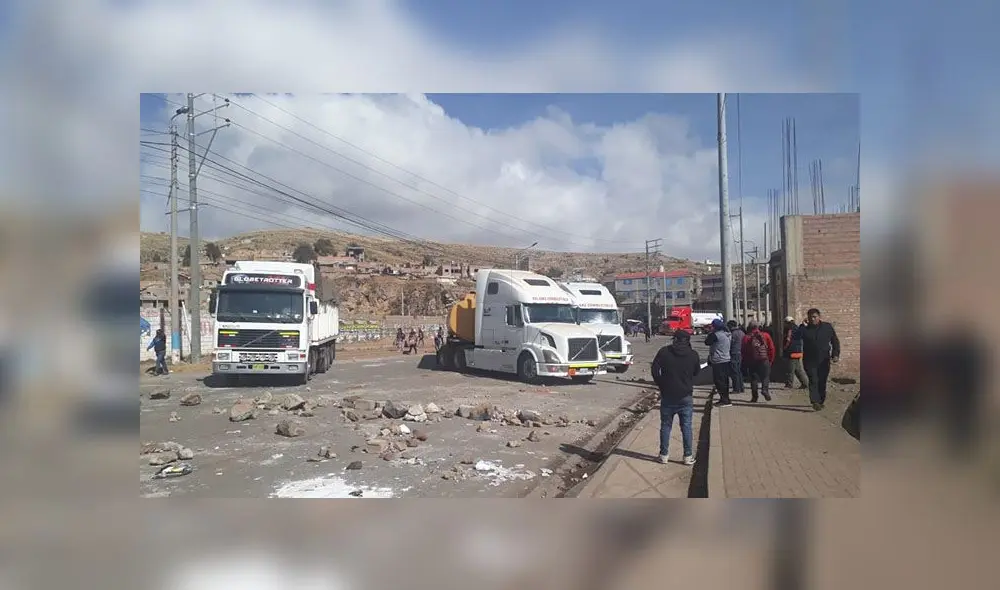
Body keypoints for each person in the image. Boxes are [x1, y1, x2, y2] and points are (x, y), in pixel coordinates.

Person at [650, 329, 701, 466]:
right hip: (686, 396)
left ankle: (664, 455)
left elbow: (654, 369)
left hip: (668, 395)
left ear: (675, 340)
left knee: (666, 426)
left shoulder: (664, 352)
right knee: (686, 426)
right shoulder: (693, 354)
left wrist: (661, 384)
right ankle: (688, 456)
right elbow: (697, 372)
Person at [800, 308, 841, 411]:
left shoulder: (827, 327)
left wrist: (835, 354)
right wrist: (802, 326)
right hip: (809, 360)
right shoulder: (805, 329)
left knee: (822, 381)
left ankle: (821, 401)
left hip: (824, 360)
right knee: (813, 380)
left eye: (814, 317)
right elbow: (795, 336)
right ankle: (815, 401)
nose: (812, 319)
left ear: (819, 317)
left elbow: (835, 341)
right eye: (810, 317)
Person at [742, 320, 775, 402]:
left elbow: (743, 351)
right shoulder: (766, 335)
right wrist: (770, 360)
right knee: (766, 376)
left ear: (749, 327)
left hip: (752, 360)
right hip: (764, 359)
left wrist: (745, 361)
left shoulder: (746, 337)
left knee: (753, 379)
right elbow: (771, 348)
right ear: (758, 327)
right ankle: (764, 390)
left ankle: (754, 397)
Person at [704, 318, 733, 407]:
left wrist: (710, 332)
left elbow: (707, 342)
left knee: (719, 381)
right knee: (725, 380)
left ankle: (724, 400)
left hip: (718, 360)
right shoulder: (727, 334)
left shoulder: (716, 335)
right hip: (726, 359)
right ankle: (725, 398)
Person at [782, 316, 809, 389]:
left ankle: (789, 384)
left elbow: (788, 340)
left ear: (787, 322)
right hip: (798, 351)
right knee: (798, 370)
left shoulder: (790, 329)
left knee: (790, 369)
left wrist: (784, 349)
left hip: (791, 351)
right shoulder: (797, 328)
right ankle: (805, 383)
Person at [727, 320, 746, 394]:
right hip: (741, 353)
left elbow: (729, 344)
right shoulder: (742, 333)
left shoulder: (732, 334)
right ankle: (741, 387)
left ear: (730, 326)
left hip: (734, 353)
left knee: (734, 371)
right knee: (739, 371)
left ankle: (736, 388)